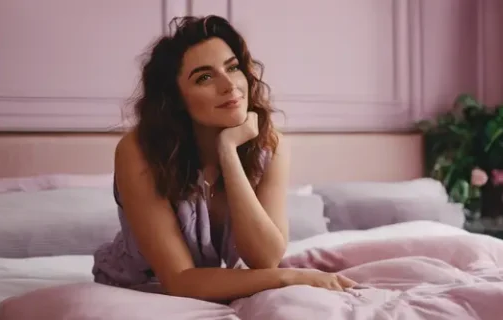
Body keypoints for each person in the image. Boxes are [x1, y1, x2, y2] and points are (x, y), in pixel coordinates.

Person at [91, 15, 357, 302]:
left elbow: (264, 258)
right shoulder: (139, 149)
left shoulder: (271, 145)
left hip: (218, 285)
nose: (229, 85)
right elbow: (179, 280)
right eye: (205, 77)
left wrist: (228, 153)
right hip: (137, 287)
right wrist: (288, 276)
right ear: (176, 98)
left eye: (233, 68)